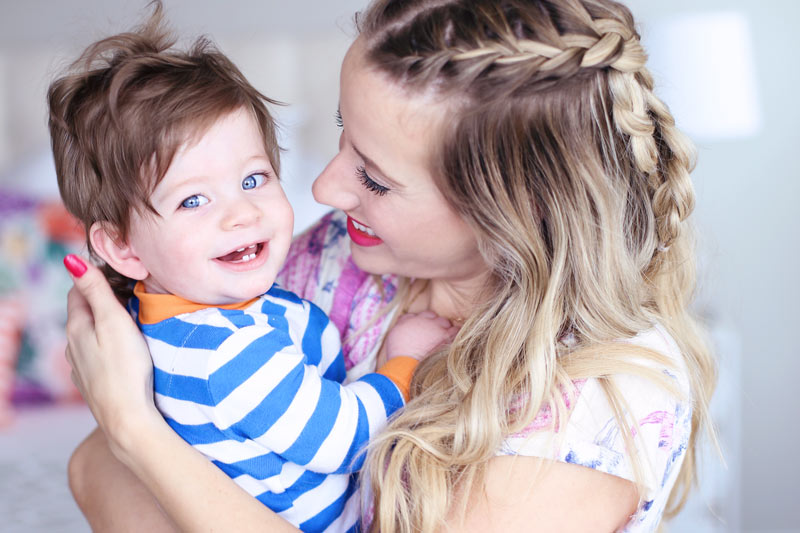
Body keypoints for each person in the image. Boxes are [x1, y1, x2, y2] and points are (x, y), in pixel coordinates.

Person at [62, 0, 717, 531]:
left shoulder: (593, 403)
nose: (322, 187)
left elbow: (120, 459)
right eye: (344, 136)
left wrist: (134, 430)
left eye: (373, 178)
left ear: (506, 215)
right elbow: (91, 467)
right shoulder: (333, 255)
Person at [49, 7, 457, 532]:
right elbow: (343, 440)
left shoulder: (183, 315)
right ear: (124, 248)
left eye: (252, 179)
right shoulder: (224, 352)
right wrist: (403, 361)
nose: (241, 213)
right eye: (194, 200)